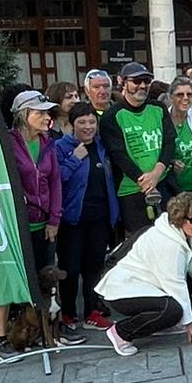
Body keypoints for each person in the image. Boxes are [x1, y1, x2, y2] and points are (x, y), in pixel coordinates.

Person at [2, 89, 75, 358]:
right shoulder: (8, 143)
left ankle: (52, 328)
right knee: (25, 279)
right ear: (24, 115)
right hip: (19, 224)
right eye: (40, 113)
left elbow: (55, 182)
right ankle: (25, 328)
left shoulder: (48, 143)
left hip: (45, 222)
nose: (47, 117)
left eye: (47, 112)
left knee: (47, 276)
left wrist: (54, 218)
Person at [97, 191, 192, 354]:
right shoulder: (169, 243)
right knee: (172, 310)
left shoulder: (184, 232)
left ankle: (164, 324)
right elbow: (175, 285)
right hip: (123, 290)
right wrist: (190, 326)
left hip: (147, 284)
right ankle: (121, 332)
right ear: (181, 218)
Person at [56, 102, 117, 331]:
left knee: (94, 267)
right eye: (82, 122)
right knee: (70, 269)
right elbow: (55, 180)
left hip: (100, 216)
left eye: (92, 122)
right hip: (72, 219)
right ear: (71, 124)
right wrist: (74, 159)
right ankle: (68, 313)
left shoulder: (102, 145)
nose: (88, 126)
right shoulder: (60, 147)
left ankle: (92, 312)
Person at [99, 61, 174, 233]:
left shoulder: (159, 108)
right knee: (140, 238)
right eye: (137, 81)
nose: (142, 86)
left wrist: (156, 174)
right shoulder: (111, 116)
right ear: (123, 82)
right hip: (131, 190)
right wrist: (144, 181)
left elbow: (169, 142)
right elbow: (118, 154)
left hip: (162, 183)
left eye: (146, 81)